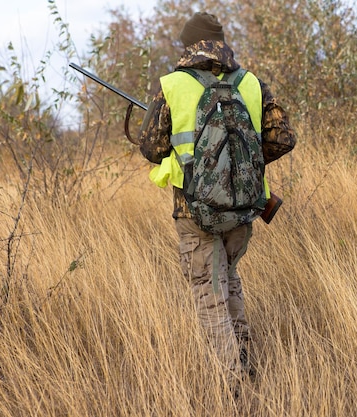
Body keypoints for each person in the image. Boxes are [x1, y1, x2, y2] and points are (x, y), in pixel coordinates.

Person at [138, 12, 296, 390]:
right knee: (230, 279)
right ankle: (246, 360)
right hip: (244, 208)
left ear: (189, 45)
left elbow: (151, 148)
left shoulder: (173, 85)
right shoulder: (252, 83)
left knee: (209, 293)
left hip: (195, 210)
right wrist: (242, 168)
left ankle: (234, 383)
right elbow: (283, 137)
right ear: (221, 44)